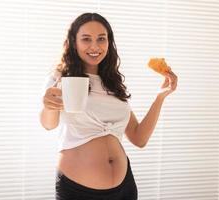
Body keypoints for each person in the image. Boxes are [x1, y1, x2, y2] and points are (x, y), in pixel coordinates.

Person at [39, 12, 178, 200]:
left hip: (125, 187)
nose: (94, 46)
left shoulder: (113, 84)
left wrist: (160, 98)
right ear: (74, 42)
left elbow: (139, 138)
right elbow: (49, 124)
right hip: (78, 190)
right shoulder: (60, 78)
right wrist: (48, 105)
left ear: (109, 42)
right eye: (86, 39)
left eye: (101, 39)